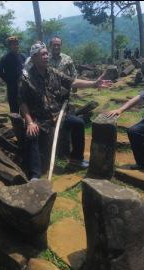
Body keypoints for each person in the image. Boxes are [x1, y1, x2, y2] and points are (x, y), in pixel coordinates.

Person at [19, 42, 111, 180]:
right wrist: (30, 122)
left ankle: (76, 160)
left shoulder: (53, 72)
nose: (46, 56)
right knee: (32, 135)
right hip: (40, 119)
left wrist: (93, 84)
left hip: (58, 115)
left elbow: (72, 82)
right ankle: (35, 175)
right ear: (34, 58)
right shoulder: (26, 78)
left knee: (78, 123)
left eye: (46, 53)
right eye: (42, 54)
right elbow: (22, 103)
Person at [0, 36, 26, 113]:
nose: (15, 46)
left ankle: (25, 124)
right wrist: (7, 80)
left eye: (16, 44)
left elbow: (27, 68)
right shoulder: (5, 58)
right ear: (9, 46)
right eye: (13, 44)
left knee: (25, 109)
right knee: (14, 111)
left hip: (23, 88)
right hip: (12, 89)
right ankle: (16, 125)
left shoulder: (22, 57)